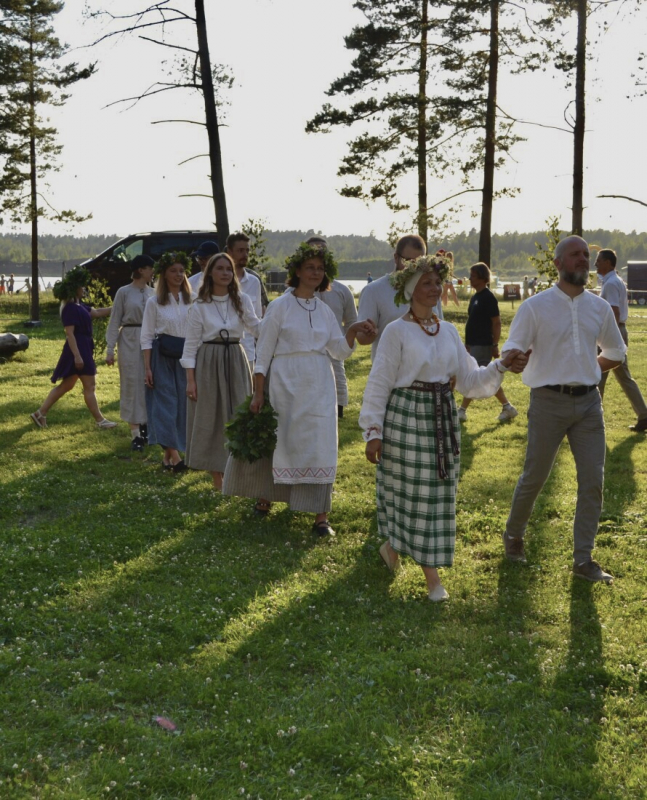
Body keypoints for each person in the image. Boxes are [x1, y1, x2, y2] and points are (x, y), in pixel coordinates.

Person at [360, 254, 528, 601]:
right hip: (407, 417)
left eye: (438, 282)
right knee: (416, 492)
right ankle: (432, 580)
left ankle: (392, 549)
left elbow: (471, 380)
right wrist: (373, 431)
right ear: (410, 289)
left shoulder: (449, 331)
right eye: (426, 283)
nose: (435, 288)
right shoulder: (396, 332)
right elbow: (378, 383)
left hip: (442, 417)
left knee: (437, 493)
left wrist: (501, 365)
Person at [223, 242, 376, 533]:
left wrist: (353, 331)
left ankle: (321, 515)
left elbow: (339, 352)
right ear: (297, 271)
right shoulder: (280, 306)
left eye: (320, 268)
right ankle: (266, 497)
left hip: (319, 383)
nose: (316, 273)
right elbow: (263, 352)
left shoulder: (324, 310)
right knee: (283, 441)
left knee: (320, 444)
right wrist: (258, 392)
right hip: (284, 381)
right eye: (310, 267)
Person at [501, 235, 626, 583]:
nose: (583, 260)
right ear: (557, 263)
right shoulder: (535, 307)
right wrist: (514, 358)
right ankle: (513, 535)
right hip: (547, 403)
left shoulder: (599, 307)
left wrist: (585, 369)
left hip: (589, 405)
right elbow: (512, 348)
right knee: (535, 476)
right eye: (575, 255)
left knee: (593, 482)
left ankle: (583, 559)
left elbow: (616, 353)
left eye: (586, 255)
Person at [181, 252, 261, 489]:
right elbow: (191, 344)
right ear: (210, 273)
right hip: (209, 361)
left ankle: (240, 472)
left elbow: (257, 328)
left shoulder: (242, 300)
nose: (226, 273)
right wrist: (191, 380)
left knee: (239, 415)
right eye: (220, 269)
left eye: (229, 269)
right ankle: (218, 477)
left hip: (236, 359)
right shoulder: (200, 306)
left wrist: (280, 320)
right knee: (213, 418)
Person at [30, 266, 116, 430]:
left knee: (66, 385)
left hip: (83, 347)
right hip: (78, 349)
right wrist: (77, 356)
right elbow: (70, 334)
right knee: (89, 386)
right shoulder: (69, 308)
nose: (84, 289)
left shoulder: (80, 306)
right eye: (81, 286)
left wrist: (117, 308)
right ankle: (100, 420)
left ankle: (40, 413)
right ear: (74, 288)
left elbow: (97, 312)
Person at [141, 251, 194, 471]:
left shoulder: (193, 300)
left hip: (186, 357)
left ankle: (167, 456)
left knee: (182, 406)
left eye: (182, 271)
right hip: (161, 357)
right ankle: (176, 457)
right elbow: (146, 336)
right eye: (173, 271)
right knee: (164, 407)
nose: (178, 275)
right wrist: (147, 368)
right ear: (163, 274)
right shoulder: (154, 302)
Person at [357, 234, 443, 360]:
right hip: (390, 374)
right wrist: (370, 334)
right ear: (396, 258)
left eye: (420, 262)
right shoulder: (373, 291)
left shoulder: (430, 291)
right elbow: (361, 338)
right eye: (408, 261)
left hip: (427, 373)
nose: (414, 268)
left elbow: (440, 330)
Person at [105, 254, 155, 450]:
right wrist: (110, 349)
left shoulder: (154, 292)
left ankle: (147, 427)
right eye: (150, 268)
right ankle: (135, 433)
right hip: (130, 339)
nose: (153, 272)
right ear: (141, 270)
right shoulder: (124, 292)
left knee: (149, 382)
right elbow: (115, 320)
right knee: (131, 382)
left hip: (150, 339)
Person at [458, 262, 518, 423]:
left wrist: (495, 344)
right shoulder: (475, 297)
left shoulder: (488, 297)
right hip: (473, 344)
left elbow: (496, 322)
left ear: (483, 278)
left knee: (475, 376)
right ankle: (507, 407)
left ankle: (462, 410)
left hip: (483, 344)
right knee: (485, 376)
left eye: (473, 276)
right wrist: (468, 343)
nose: (470, 279)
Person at [305, 236, 358, 418]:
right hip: (305, 352)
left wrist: (346, 343)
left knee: (337, 380)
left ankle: (338, 412)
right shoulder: (293, 293)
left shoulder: (342, 291)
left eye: (323, 251)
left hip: (334, 350)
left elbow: (351, 321)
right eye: (314, 251)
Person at [595, 248, 647, 432]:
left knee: (598, 374)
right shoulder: (615, 281)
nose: (595, 263)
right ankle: (644, 415)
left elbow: (614, 312)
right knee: (623, 377)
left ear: (608, 262)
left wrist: (608, 338)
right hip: (619, 331)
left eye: (598, 260)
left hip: (614, 332)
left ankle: (593, 418)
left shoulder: (610, 284)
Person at [225, 232, 265, 362]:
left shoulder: (254, 281)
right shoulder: (218, 281)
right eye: (240, 250)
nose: (245, 255)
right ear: (229, 252)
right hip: (222, 352)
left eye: (247, 250)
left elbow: (257, 319)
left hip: (247, 353)